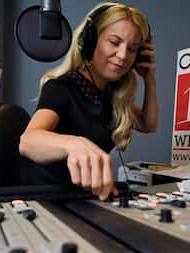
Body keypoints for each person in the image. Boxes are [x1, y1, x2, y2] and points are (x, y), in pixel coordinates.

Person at [19, 2, 159, 200]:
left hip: (87, 199)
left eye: (132, 49)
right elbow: (27, 141)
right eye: (114, 42)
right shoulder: (61, 88)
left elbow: (148, 124)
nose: (123, 56)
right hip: (49, 201)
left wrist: (150, 79)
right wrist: (73, 144)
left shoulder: (112, 95)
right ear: (90, 41)